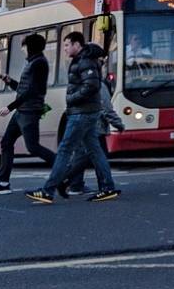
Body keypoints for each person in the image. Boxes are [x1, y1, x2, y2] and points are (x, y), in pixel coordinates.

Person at [26, 31, 118, 204]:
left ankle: (48, 190)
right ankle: (108, 187)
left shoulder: (85, 61)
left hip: (81, 112)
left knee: (64, 150)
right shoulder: (83, 60)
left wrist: (71, 98)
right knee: (94, 150)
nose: (66, 49)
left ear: (77, 45)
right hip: (86, 112)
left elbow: (91, 85)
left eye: (67, 45)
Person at [0, 33, 54, 194]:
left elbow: (32, 90)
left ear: (31, 47)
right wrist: (10, 82)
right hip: (22, 111)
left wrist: (10, 107)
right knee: (6, 142)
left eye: (24, 46)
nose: (22, 49)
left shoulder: (39, 63)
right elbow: (24, 89)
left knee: (33, 147)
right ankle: (3, 183)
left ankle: (64, 169)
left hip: (29, 112)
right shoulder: (32, 63)